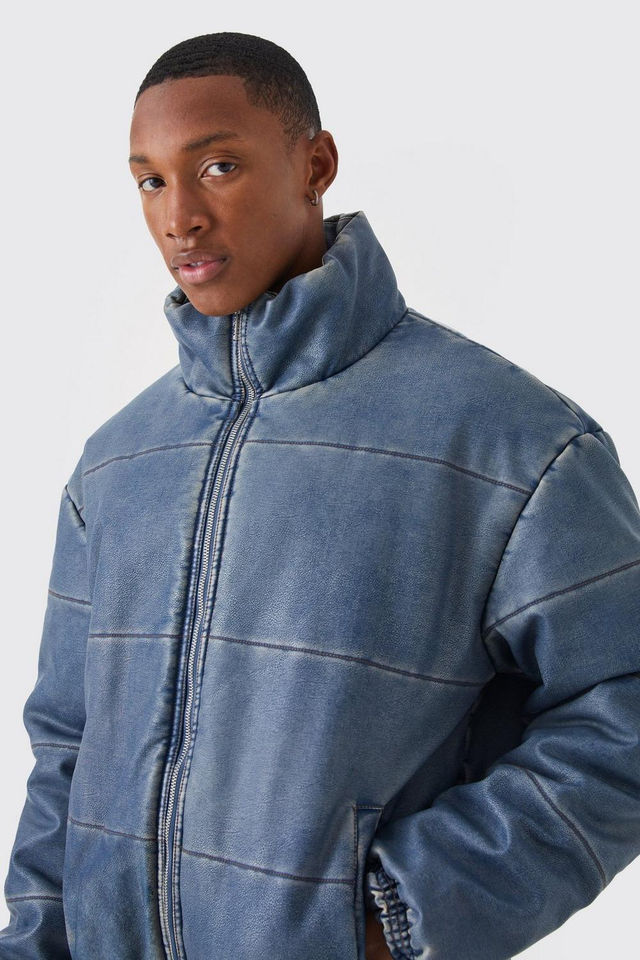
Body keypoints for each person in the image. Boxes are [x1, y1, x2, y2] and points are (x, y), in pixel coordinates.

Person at [1, 30, 639, 960]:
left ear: (316, 165)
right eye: (150, 181)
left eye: (218, 166)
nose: (180, 217)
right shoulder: (118, 462)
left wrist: (396, 917)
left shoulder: (510, 442)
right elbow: (66, 746)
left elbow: (623, 710)